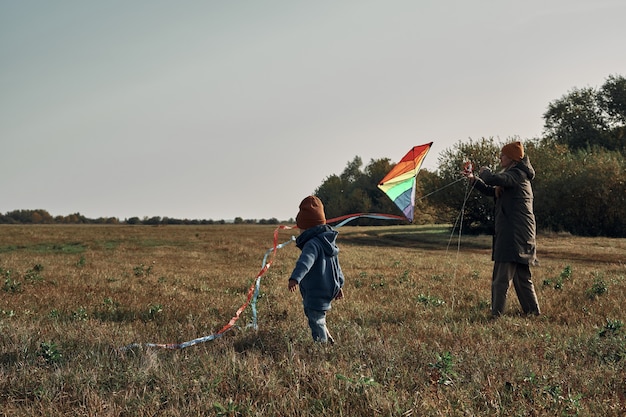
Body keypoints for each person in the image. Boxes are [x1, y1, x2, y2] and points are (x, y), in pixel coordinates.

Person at [463, 141, 541, 318]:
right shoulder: (515, 176)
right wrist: (474, 180)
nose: (500, 158)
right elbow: (492, 189)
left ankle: (496, 315)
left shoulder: (517, 175)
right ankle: (533, 312)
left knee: (501, 279)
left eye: (503, 155)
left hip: (514, 235)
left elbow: (493, 179)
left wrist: (484, 172)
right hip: (519, 234)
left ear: (513, 158)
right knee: (522, 278)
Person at [288, 196, 345, 343]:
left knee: (316, 319)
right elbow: (336, 267)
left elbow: (305, 262)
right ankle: (328, 339)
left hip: (316, 290)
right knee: (316, 315)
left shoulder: (312, 244)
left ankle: (323, 345)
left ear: (306, 227)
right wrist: (339, 285)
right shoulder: (328, 242)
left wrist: (295, 278)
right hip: (327, 289)